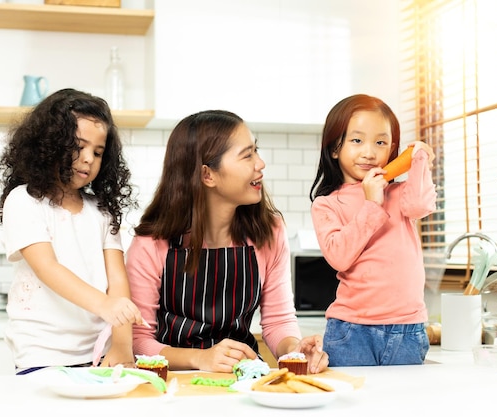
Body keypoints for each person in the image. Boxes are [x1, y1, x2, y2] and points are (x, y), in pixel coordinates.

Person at [126, 109, 329, 373]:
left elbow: (278, 321)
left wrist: (295, 350)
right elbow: (138, 341)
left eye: (256, 151)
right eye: (247, 156)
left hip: (244, 378)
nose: (260, 164)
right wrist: (199, 358)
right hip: (173, 382)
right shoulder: (152, 242)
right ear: (207, 175)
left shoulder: (269, 231)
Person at [0, 88, 144, 374]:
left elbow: (117, 278)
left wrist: (123, 344)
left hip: (97, 350)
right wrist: (105, 305)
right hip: (40, 351)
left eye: (98, 152)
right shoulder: (24, 201)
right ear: (49, 144)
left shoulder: (100, 210)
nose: (88, 158)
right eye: (78, 146)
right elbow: (47, 267)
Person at [309, 94, 437, 366]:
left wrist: (419, 160)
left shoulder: (399, 193)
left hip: (408, 328)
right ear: (335, 148)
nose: (369, 152)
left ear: (391, 149)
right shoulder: (327, 204)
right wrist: (371, 203)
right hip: (352, 329)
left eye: (380, 142)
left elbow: (421, 205)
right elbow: (339, 257)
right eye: (357, 140)